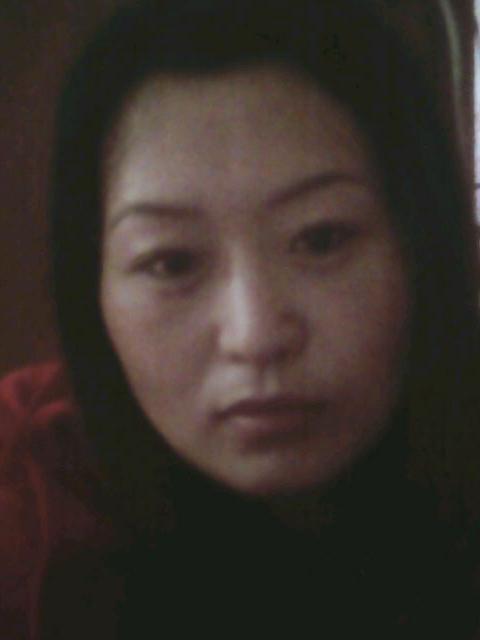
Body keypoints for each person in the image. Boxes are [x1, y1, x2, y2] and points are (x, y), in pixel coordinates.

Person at [1, 0, 479, 637]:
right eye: (171, 262)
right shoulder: (32, 508)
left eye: (322, 239)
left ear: (421, 246)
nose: (255, 337)